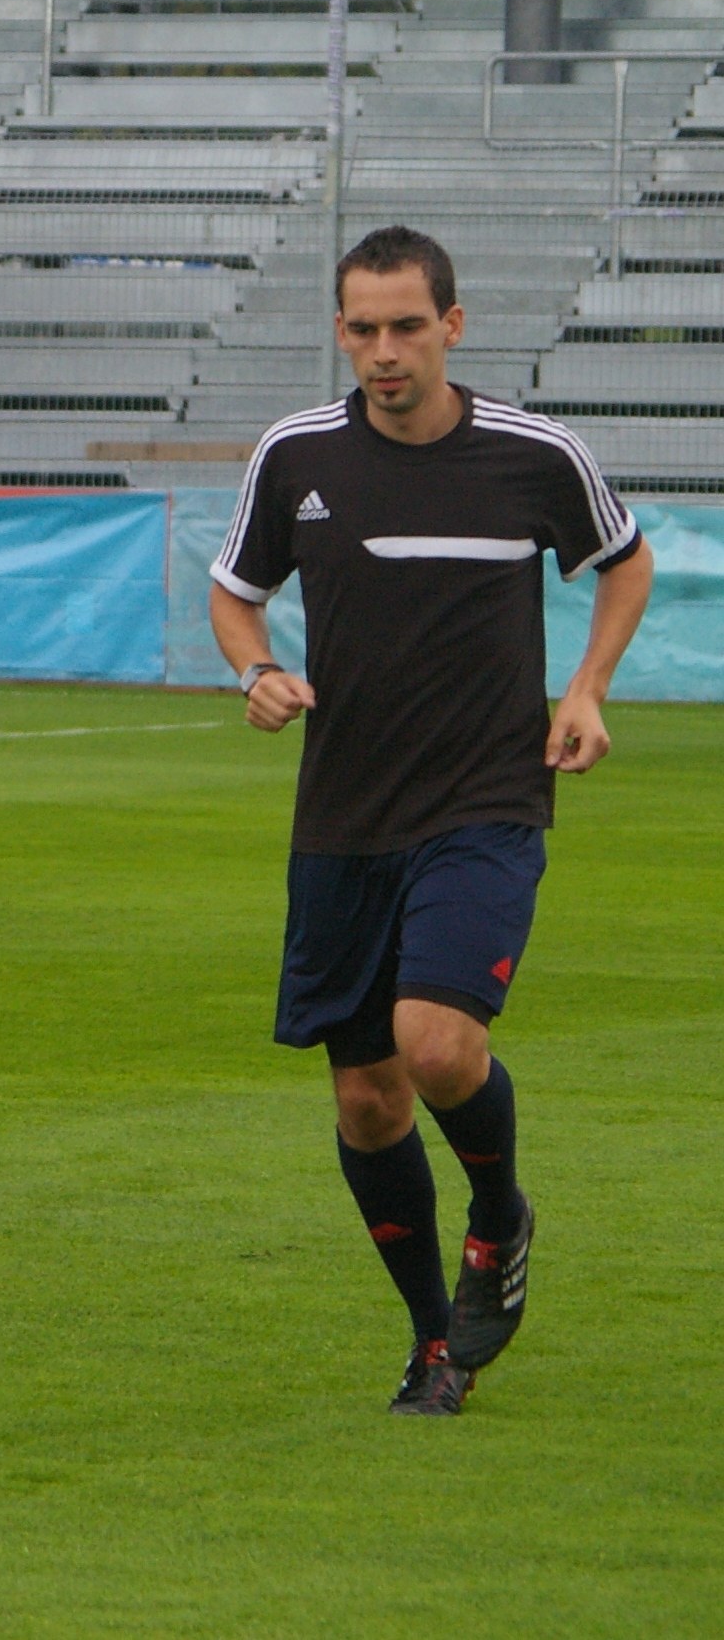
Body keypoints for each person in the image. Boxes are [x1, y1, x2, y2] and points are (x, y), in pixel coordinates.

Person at [209, 225, 653, 1415]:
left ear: (451, 325)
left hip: (486, 798)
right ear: (341, 332)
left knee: (438, 1043)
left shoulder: (533, 453)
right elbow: (233, 593)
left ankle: (498, 1215)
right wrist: (253, 672)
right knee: (365, 1097)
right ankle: (431, 1345)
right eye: (362, 328)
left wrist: (586, 687)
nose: (384, 350)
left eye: (407, 325)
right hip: (344, 812)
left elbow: (623, 560)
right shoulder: (297, 455)